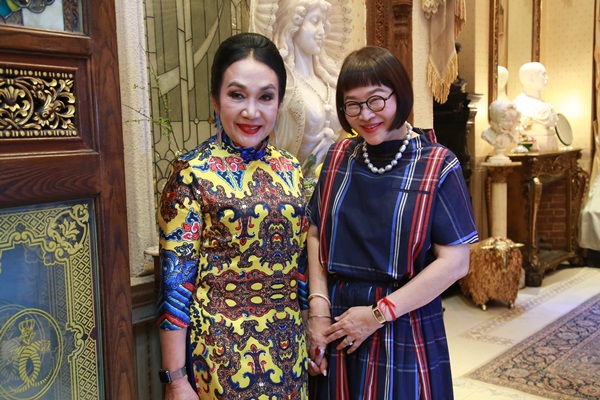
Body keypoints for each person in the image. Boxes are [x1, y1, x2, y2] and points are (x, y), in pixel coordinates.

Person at [305, 46, 479, 399]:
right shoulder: (338, 157)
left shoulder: (437, 164)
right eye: (352, 104)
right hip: (339, 320)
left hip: (403, 320)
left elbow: (455, 262)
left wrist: (377, 315)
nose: (365, 114)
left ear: (399, 94)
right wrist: (319, 310)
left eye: (376, 100)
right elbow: (316, 232)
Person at [157, 32, 309, 399]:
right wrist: (176, 380)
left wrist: (310, 331)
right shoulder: (191, 172)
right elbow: (175, 282)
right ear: (215, 99)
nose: (251, 112)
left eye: (265, 97)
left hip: (289, 349)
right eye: (237, 95)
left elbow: (300, 265)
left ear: (279, 102)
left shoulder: (291, 168)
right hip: (220, 355)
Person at [270, 0, 345, 198]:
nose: (322, 31)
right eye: (315, 21)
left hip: (334, 189)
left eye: (324, 23)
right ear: (293, 24)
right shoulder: (284, 85)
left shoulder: (331, 82)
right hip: (290, 190)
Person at [512, 62, 559, 151]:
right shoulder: (518, 105)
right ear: (531, 78)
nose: (547, 78)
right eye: (543, 74)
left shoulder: (547, 105)